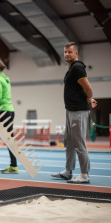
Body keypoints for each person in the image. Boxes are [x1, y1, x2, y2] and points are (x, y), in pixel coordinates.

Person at [51, 42, 97, 184]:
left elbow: (88, 88)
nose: (66, 54)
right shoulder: (72, 68)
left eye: (69, 52)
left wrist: (89, 98)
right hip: (70, 110)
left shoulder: (77, 68)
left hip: (78, 111)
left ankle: (84, 174)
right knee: (69, 143)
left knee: (79, 144)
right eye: (65, 52)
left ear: (76, 53)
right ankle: (68, 171)